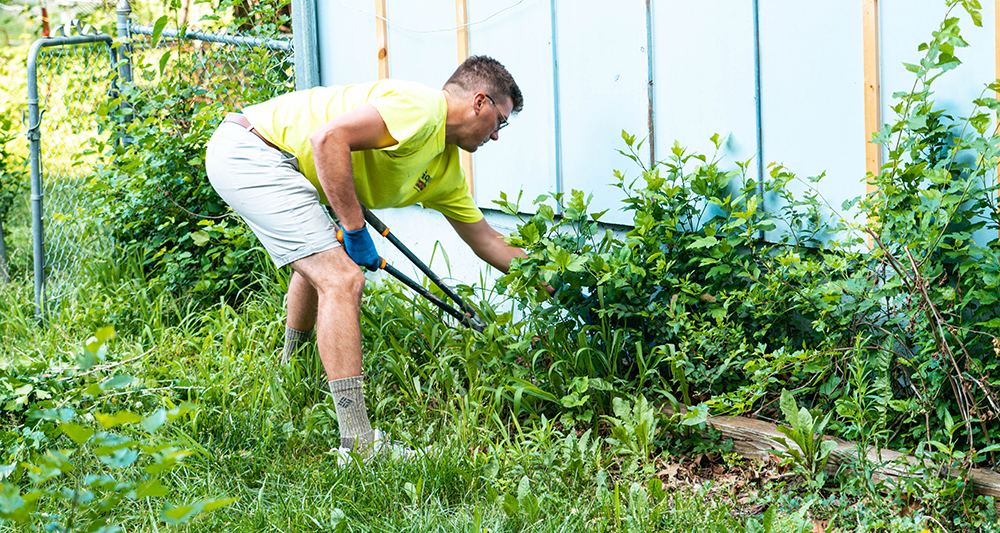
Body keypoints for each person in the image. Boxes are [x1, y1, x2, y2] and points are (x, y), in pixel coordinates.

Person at [205, 56, 527, 460]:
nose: (497, 136)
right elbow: (327, 140)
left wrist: (557, 280)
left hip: (279, 161)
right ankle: (358, 445)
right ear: (479, 102)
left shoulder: (444, 169)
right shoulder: (421, 108)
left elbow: (489, 241)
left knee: (322, 264)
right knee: (342, 277)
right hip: (255, 149)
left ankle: (291, 372)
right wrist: (354, 229)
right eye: (502, 121)